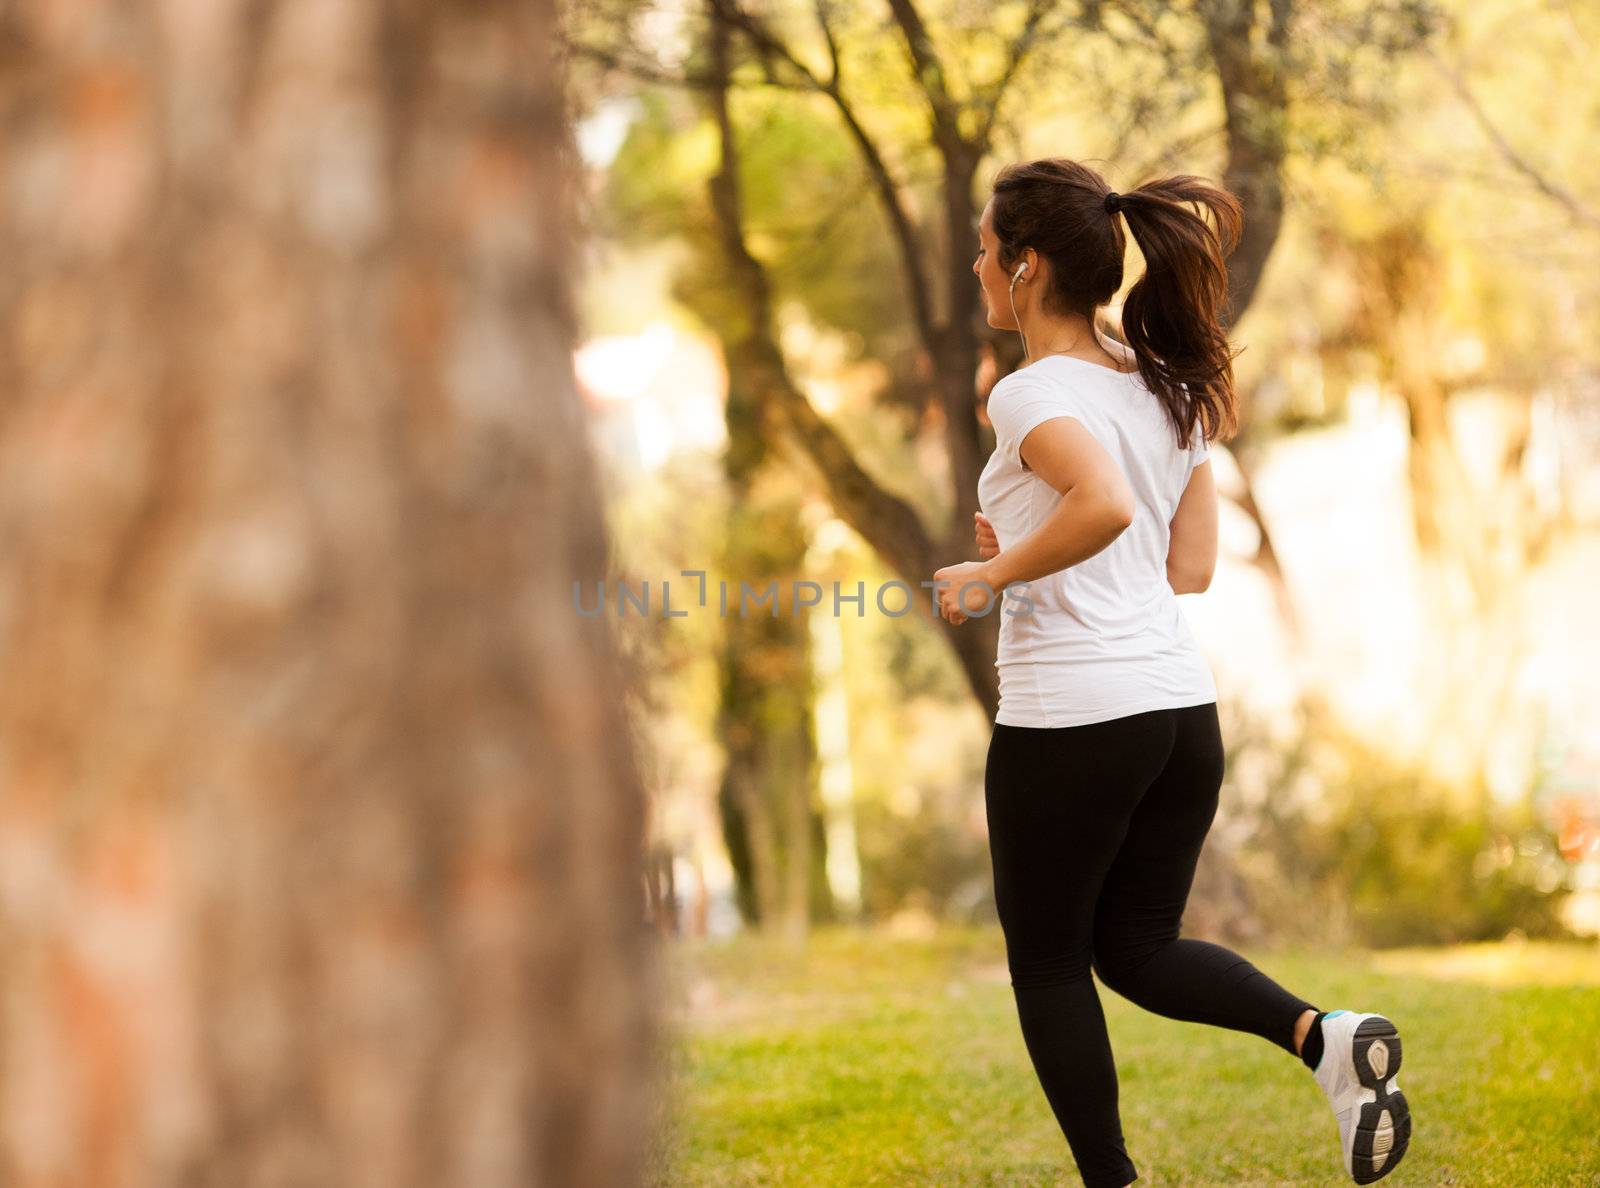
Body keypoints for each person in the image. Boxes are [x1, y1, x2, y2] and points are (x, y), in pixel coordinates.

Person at [930, 158, 1412, 1187]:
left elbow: (1101, 505)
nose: (975, 267)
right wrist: (1020, 535)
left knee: (1050, 963)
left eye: (984, 250)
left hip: (1073, 720)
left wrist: (991, 572)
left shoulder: (1027, 393)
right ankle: (1325, 1037)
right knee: (1136, 950)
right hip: (1177, 716)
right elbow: (1183, 566)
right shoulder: (1160, 382)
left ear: (1024, 270)